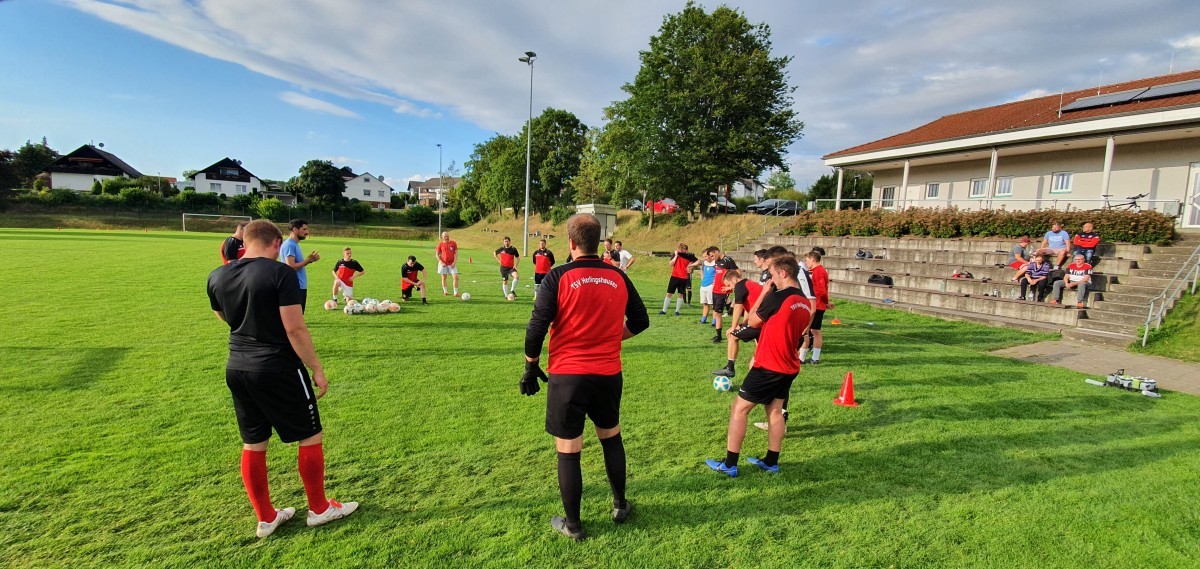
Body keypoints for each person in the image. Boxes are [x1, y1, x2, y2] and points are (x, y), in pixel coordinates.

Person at [206, 220, 357, 539]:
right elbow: (295, 329)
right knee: (310, 434)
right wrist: (316, 368)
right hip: (278, 367)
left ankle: (266, 517)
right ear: (276, 242)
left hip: (237, 367)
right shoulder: (280, 274)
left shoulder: (218, 275)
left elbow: (223, 316)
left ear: (245, 242)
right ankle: (319, 509)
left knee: (254, 441)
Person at [521, 213, 650, 541]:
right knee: (610, 436)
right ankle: (620, 504)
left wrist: (530, 365)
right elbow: (640, 320)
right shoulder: (618, 275)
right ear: (599, 241)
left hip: (568, 376)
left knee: (568, 448)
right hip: (608, 374)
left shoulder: (558, 275)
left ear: (571, 243)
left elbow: (537, 325)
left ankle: (574, 525)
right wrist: (609, 337)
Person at [706, 254, 813, 477]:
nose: (770, 279)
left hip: (769, 366)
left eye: (772, 275)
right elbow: (794, 334)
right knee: (775, 411)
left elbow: (753, 320)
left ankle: (729, 464)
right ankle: (771, 462)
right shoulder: (804, 302)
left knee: (739, 409)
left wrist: (764, 293)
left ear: (783, 273)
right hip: (789, 366)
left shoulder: (778, 297)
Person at [712, 269, 763, 377]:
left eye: (730, 284)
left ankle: (730, 368)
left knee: (733, 335)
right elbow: (751, 308)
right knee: (760, 352)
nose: (731, 288)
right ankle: (756, 377)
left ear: (735, 279)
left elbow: (738, 308)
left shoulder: (740, 285)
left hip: (762, 321)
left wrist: (733, 327)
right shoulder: (748, 284)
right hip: (763, 320)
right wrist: (743, 323)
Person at [798, 251, 831, 365]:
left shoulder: (819, 271)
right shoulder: (817, 271)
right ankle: (808, 357)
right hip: (817, 304)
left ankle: (810, 358)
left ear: (813, 259)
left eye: (807, 260)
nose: (806, 263)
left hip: (817, 305)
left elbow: (821, 290)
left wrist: (825, 302)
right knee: (812, 330)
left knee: (813, 331)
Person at [280, 219, 320, 312]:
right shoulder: (289, 245)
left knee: (298, 317)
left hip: (298, 286)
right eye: (304, 229)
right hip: (294, 286)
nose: (307, 232)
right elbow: (291, 266)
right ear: (295, 229)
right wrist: (308, 260)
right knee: (295, 318)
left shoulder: (294, 244)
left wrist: (309, 260)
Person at [709, 246, 739, 343]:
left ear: (717, 252)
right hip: (715, 290)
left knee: (718, 313)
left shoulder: (728, 260)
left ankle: (719, 336)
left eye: (713, 255)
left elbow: (738, 273)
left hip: (722, 291)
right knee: (716, 313)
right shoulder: (717, 261)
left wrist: (731, 287)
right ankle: (718, 335)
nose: (713, 258)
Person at [660, 243, 697, 316]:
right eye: (679, 249)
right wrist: (676, 255)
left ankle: (677, 311)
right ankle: (664, 310)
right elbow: (671, 264)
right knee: (669, 293)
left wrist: (691, 266)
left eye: (681, 249)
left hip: (684, 277)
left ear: (685, 250)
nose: (679, 251)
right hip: (675, 276)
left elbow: (696, 263)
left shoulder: (689, 256)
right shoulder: (676, 255)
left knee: (680, 294)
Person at [435, 232, 460, 297]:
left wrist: (454, 262)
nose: (446, 237)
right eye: (445, 236)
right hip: (443, 264)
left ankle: (455, 293)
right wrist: (441, 262)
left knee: (456, 277)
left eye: (447, 236)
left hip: (452, 264)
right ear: (442, 237)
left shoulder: (453, 243)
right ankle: (445, 292)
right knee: (444, 277)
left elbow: (456, 253)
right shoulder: (440, 244)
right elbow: (437, 254)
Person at [695, 250, 717, 325]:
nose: (704, 258)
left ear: (710, 255)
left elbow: (718, 274)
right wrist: (702, 279)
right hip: (704, 285)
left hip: (711, 286)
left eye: (705, 256)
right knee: (705, 303)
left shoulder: (715, 264)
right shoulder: (704, 263)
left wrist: (714, 283)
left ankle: (714, 321)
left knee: (713, 304)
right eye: (703, 256)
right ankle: (703, 319)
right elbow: (702, 271)